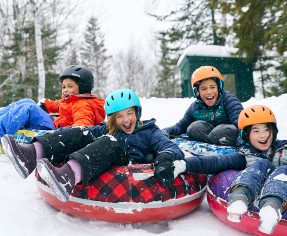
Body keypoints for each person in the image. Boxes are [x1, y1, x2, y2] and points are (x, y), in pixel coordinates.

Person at [1, 88, 184, 202]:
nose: (126, 120)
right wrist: (55, 137)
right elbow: (80, 134)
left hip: (129, 165)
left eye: (129, 113)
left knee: (110, 141)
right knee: (84, 131)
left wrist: (165, 157)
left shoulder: (150, 131)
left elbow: (172, 148)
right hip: (105, 159)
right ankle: (31, 155)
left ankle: (67, 177)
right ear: (113, 119)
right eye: (119, 116)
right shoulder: (108, 129)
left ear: (137, 112)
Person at [171, 105, 287, 234]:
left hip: (282, 188)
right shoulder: (245, 156)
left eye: (267, 129)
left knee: (285, 169)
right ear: (246, 135)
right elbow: (215, 162)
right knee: (261, 165)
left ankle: (272, 209)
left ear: (274, 131)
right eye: (256, 131)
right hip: (253, 184)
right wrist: (185, 164)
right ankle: (240, 199)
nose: (263, 135)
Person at [0, 65, 106, 137]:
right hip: (54, 124)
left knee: (29, 108)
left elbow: (83, 124)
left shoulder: (81, 105)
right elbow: (57, 105)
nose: (65, 90)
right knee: (28, 101)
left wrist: (72, 131)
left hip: (54, 131)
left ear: (83, 87)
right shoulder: (71, 101)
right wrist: (45, 104)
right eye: (64, 87)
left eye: (70, 86)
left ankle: (1, 130)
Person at [163, 66, 243, 147]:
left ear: (219, 88)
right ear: (197, 92)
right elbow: (181, 126)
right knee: (193, 127)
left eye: (212, 87)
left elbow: (241, 126)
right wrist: (165, 132)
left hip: (228, 137)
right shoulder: (195, 107)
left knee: (219, 132)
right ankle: (211, 143)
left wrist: (241, 145)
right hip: (209, 139)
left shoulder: (229, 101)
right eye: (203, 89)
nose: (209, 92)